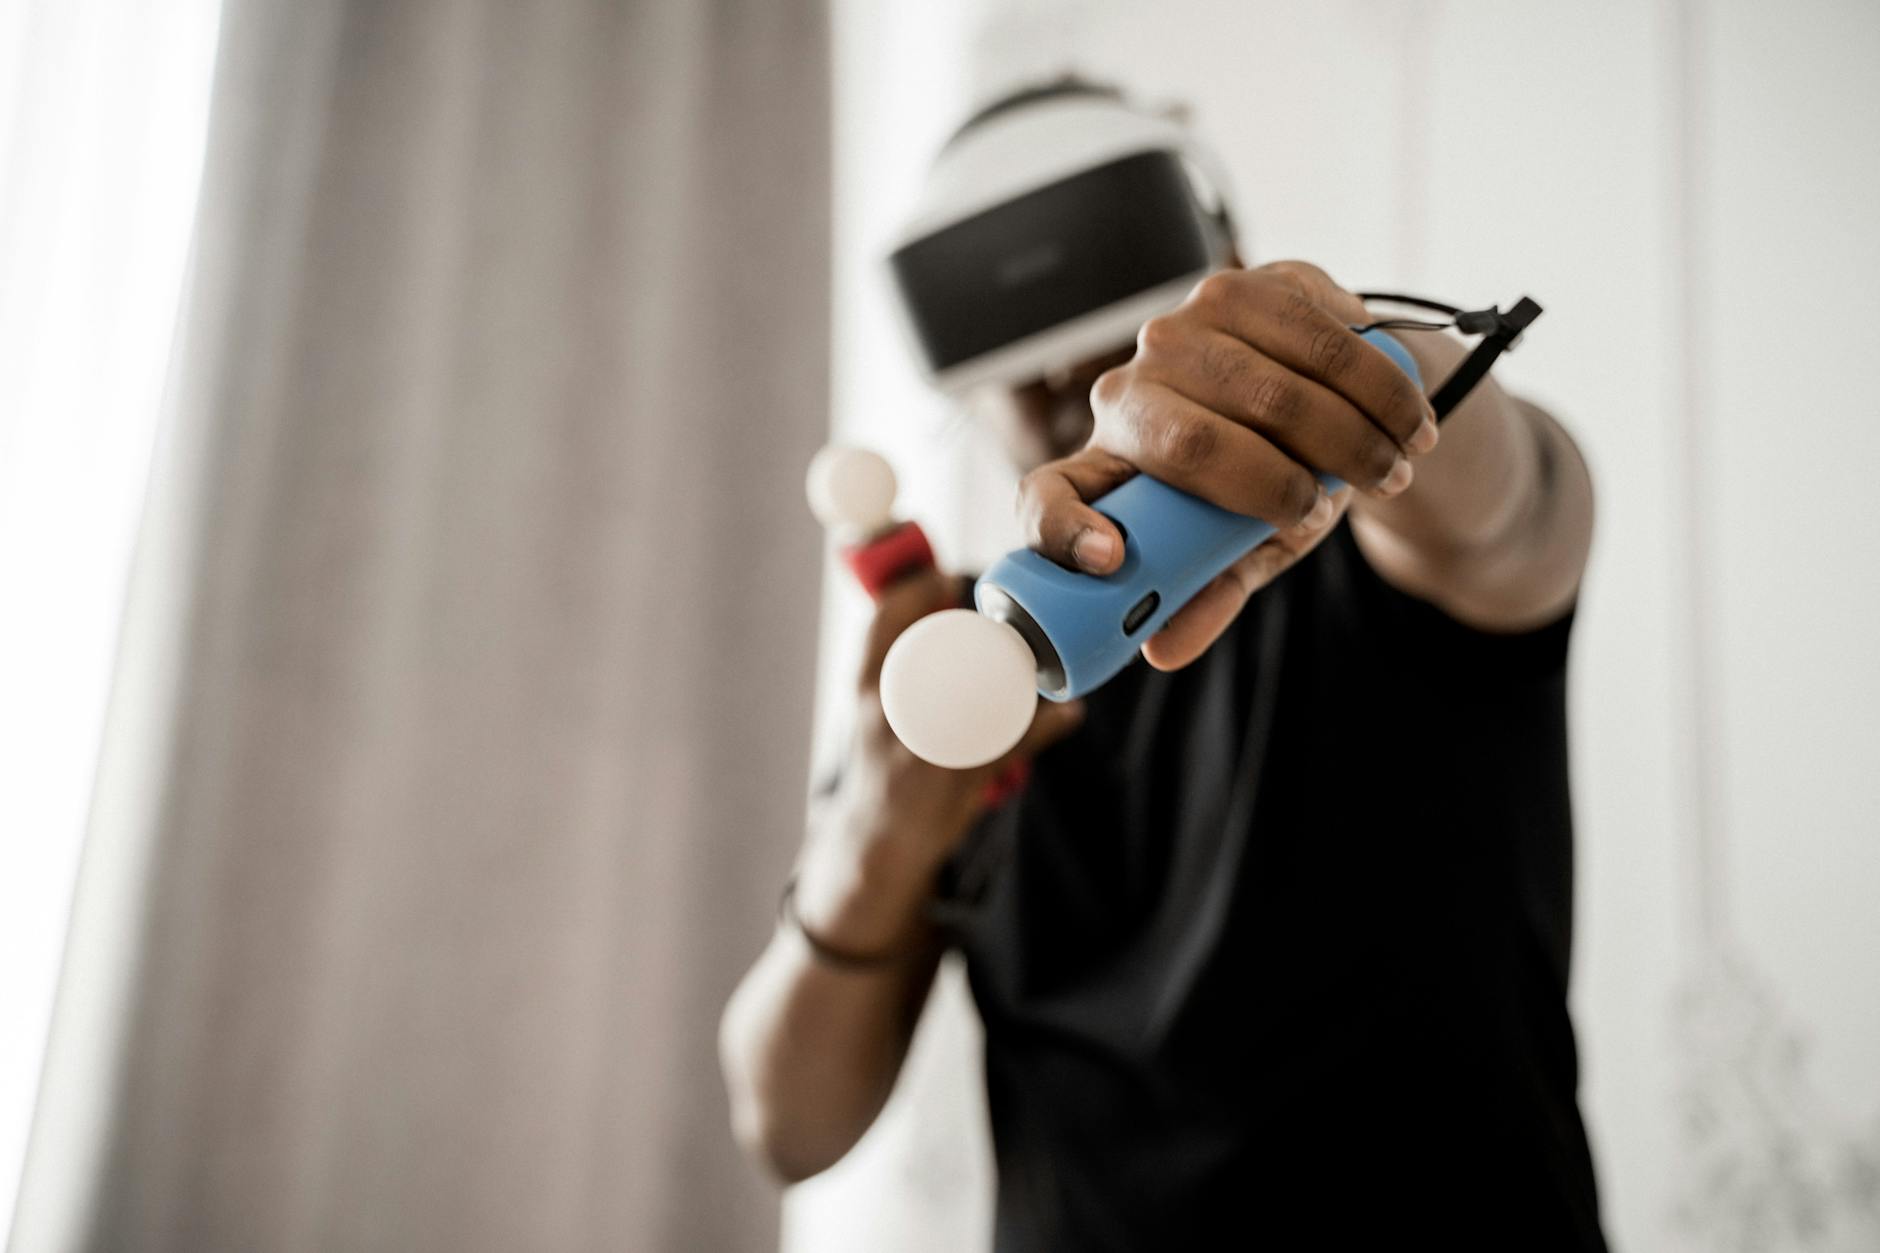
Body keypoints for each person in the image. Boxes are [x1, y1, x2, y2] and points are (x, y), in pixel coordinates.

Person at [720, 77, 1605, 1251]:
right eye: (1006, 334)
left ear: (1218, 278)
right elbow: (785, 1123)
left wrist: (1386, 372)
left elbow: (1513, 508)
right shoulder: (943, 669)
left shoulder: (1378, 551)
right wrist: (879, 834)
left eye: (1102, 278)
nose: (1063, 372)